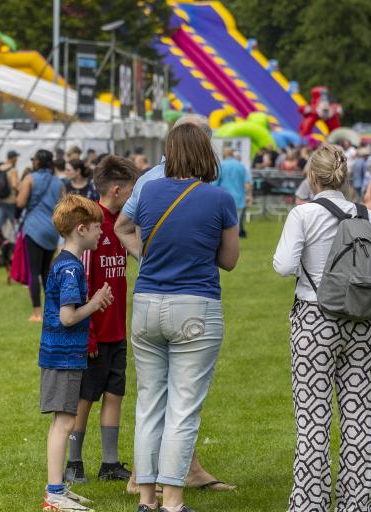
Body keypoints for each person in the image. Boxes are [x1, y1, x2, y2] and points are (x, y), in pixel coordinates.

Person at [273, 144, 371, 511]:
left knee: (313, 419)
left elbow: (283, 266)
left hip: (315, 319)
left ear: (312, 176)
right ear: (345, 177)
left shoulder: (303, 215)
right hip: (363, 321)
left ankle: (310, 503)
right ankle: (357, 501)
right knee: (359, 418)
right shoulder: (369, 216)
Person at [115, 114, 239, 495]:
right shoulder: (218, 198)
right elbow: (229, 260)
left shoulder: (148, 191)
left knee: (149, 403)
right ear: (207, 152)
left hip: (147, 301)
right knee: (183, 407)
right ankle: (172, 498)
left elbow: (123, 226)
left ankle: (146, 494)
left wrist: (147, 258)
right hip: (194, 303)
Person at [64, 156, 138, 485]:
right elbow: (83, 282)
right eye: (132, 191)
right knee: (85, 399)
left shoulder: (122, 224)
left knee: (114, 393)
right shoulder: (94, 224)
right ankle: (74, 462)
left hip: (117, 329)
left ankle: (109, 463)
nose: (135, 198)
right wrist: (89, 334)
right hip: (94, 332)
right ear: (117, 189)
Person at [39, 195, 113, 512]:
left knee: (63, 421)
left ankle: (57, 490)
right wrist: (95, 303)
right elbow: (68, 317)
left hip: (62, 355)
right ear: (81, 229)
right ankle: (54, 494)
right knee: (64, 424)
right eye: (97, 227)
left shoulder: (63, 262)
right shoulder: (71, 269)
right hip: (63, 356)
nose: (102, 233)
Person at [16, 149, 65, 322]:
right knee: (46, 271)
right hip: (51, 230)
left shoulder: (29, 179)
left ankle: (37, 312)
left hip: (33, 228)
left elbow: (20, 202)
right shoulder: (58, 182)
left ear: (36, 162)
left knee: (33, 272)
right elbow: (63, 206)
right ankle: (52, 310)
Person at [214, 147, 252, 237]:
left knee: (222, 224)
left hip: (223, 200)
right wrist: (249, 196)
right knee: (236, 223)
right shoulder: (240, 166)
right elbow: (247, 184)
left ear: (224, 155)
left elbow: (214, 184)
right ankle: (235, 244)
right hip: (239, 199)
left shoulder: (221, 165)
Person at [0, 150, 19, 242]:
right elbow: (14, 185)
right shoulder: (13, 170)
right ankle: (17, 239)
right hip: (10, 200)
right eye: (16, 157)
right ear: (13, 158)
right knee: (14, 221)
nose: (17, 159)